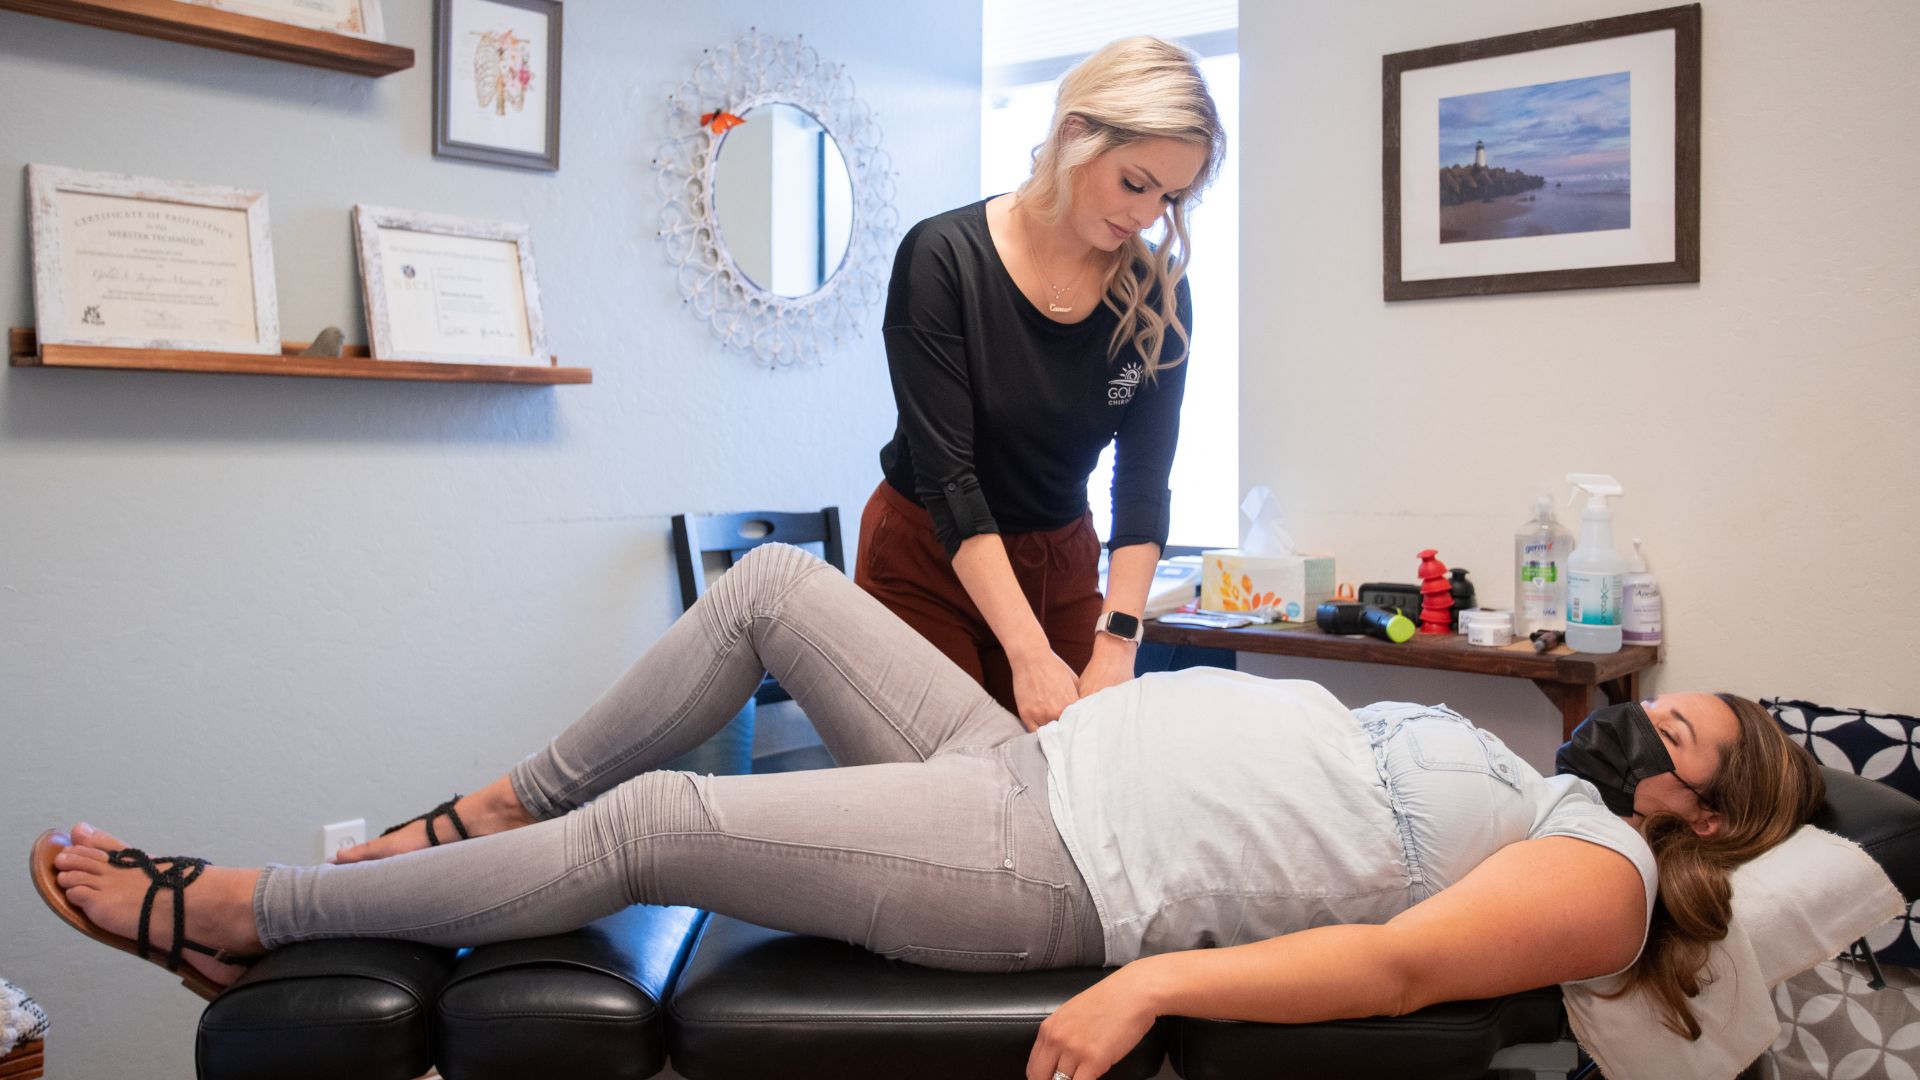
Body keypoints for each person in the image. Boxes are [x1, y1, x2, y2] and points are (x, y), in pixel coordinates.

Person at [37, 545, 1822, 1080]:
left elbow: (1382, 969)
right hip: (1047, 759)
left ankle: (247, 909)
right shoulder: (1520, 775)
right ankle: (468, 820)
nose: (1638, 729)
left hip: (1067, 867)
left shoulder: (1594, 877)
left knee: (668, 821)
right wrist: (1104, 657)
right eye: (1658, 708)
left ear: (1708, 821)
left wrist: (1152, 990)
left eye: (1673, 735)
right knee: (770, 590)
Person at [860, 36, 1227, 731]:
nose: (1149, 215)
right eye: (1135, 182)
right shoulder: (942, 258)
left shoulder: (1158, 294)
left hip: (1058, 564)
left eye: (1171, 196)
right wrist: (1026, 654)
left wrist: (1118, 641)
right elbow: (951, 482)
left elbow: (1142, 482)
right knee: (958, 784)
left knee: (1079, 782)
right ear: (1074, 137)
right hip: (928, 558)